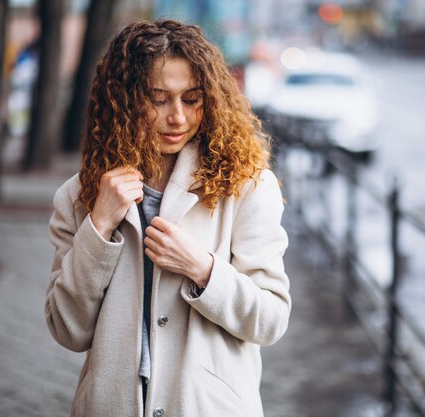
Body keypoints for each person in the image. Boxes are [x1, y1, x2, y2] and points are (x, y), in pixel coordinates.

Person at [45, 19, 291, 417]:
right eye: (159, 99)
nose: (177, 117)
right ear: (124, 101)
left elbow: (271, 320)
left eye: (191, 99)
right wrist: (99, 227)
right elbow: (68, 330)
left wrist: (202, 268)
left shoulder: (245, 187)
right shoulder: (80, 196)